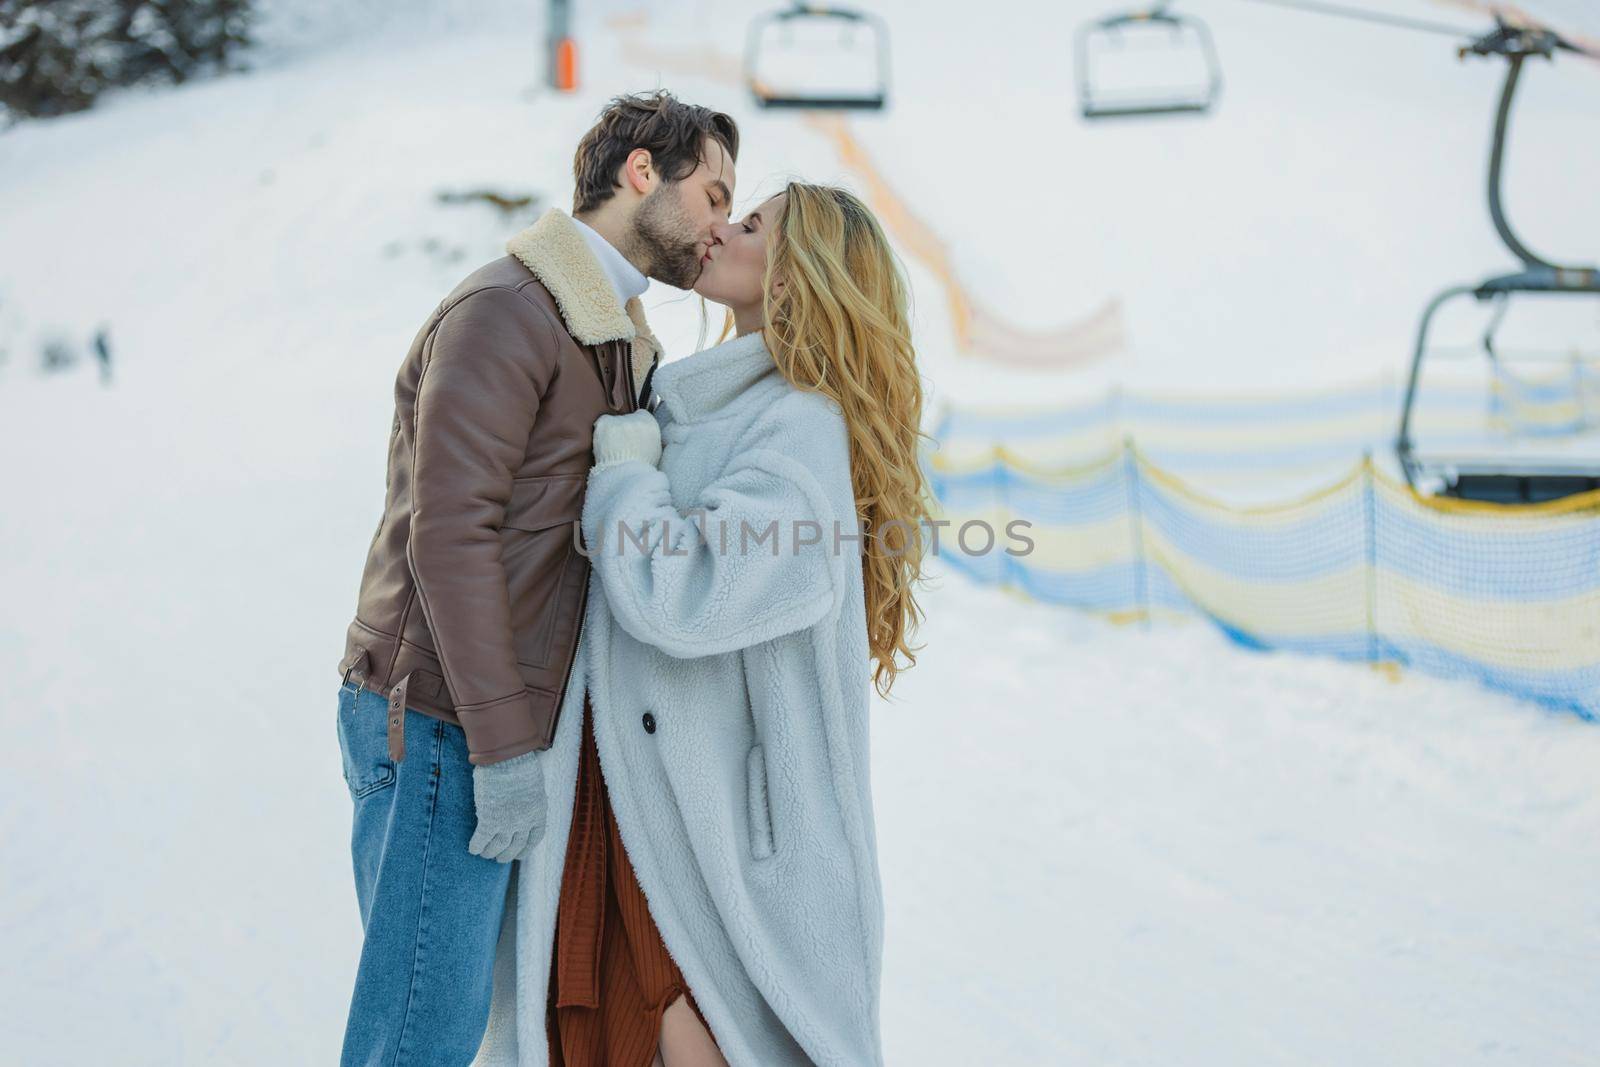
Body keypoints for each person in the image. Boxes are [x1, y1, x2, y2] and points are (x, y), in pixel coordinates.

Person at [478, 183, 934, 1067]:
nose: (722, 229)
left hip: (714, 825)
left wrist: (625, 475)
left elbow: (687, 593)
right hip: (642, 797)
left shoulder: (798, 427)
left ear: (801, 272)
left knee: (693, 1026)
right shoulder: (716, 405)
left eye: (752, 224)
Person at [332, 90, 739, 1066]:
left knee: (456, 1021)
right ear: (643, 173)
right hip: (442, 717)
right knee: (419, 1033)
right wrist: (503, 747)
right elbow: (451, 536)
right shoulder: (508, 311)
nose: (721, 224)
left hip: (486, 721)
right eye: (715, 194)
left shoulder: (609, 333)